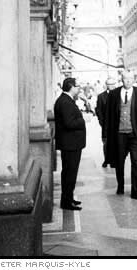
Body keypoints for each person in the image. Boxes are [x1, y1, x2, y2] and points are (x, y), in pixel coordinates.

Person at [105, 69, 137, 198]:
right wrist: (105, 134)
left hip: (135, 134)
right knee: (119, 161)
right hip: (119, 134)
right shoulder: (113, 94)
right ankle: (120, 186)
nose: (128, 81)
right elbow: (108, 116)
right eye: (126, 79)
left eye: (131, 79)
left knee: (136, 161)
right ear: (122, 79)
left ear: (134, 79)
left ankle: (135, 190)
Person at [54, 77, 86, 211]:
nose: (79, 88)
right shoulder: (65, 102)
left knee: (69, 173)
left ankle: (68, 198)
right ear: (71, 87)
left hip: (70, 144)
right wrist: (83, 120)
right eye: (77, 86)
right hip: (70, 144)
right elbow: (69, 123)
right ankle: (67, 202)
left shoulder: (65, 100)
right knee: (69, 173)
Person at [95, 76, 118, 167]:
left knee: (116, 143)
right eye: (110, 84)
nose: (112, 86)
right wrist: (101, 121)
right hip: (106, 124)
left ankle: (114, 160)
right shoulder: (101, 96)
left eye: (113, 84)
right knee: (106, 143)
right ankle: (107, 159)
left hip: (117, 124)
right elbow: (99, 110)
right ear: (106, 85)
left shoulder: (119, 94)